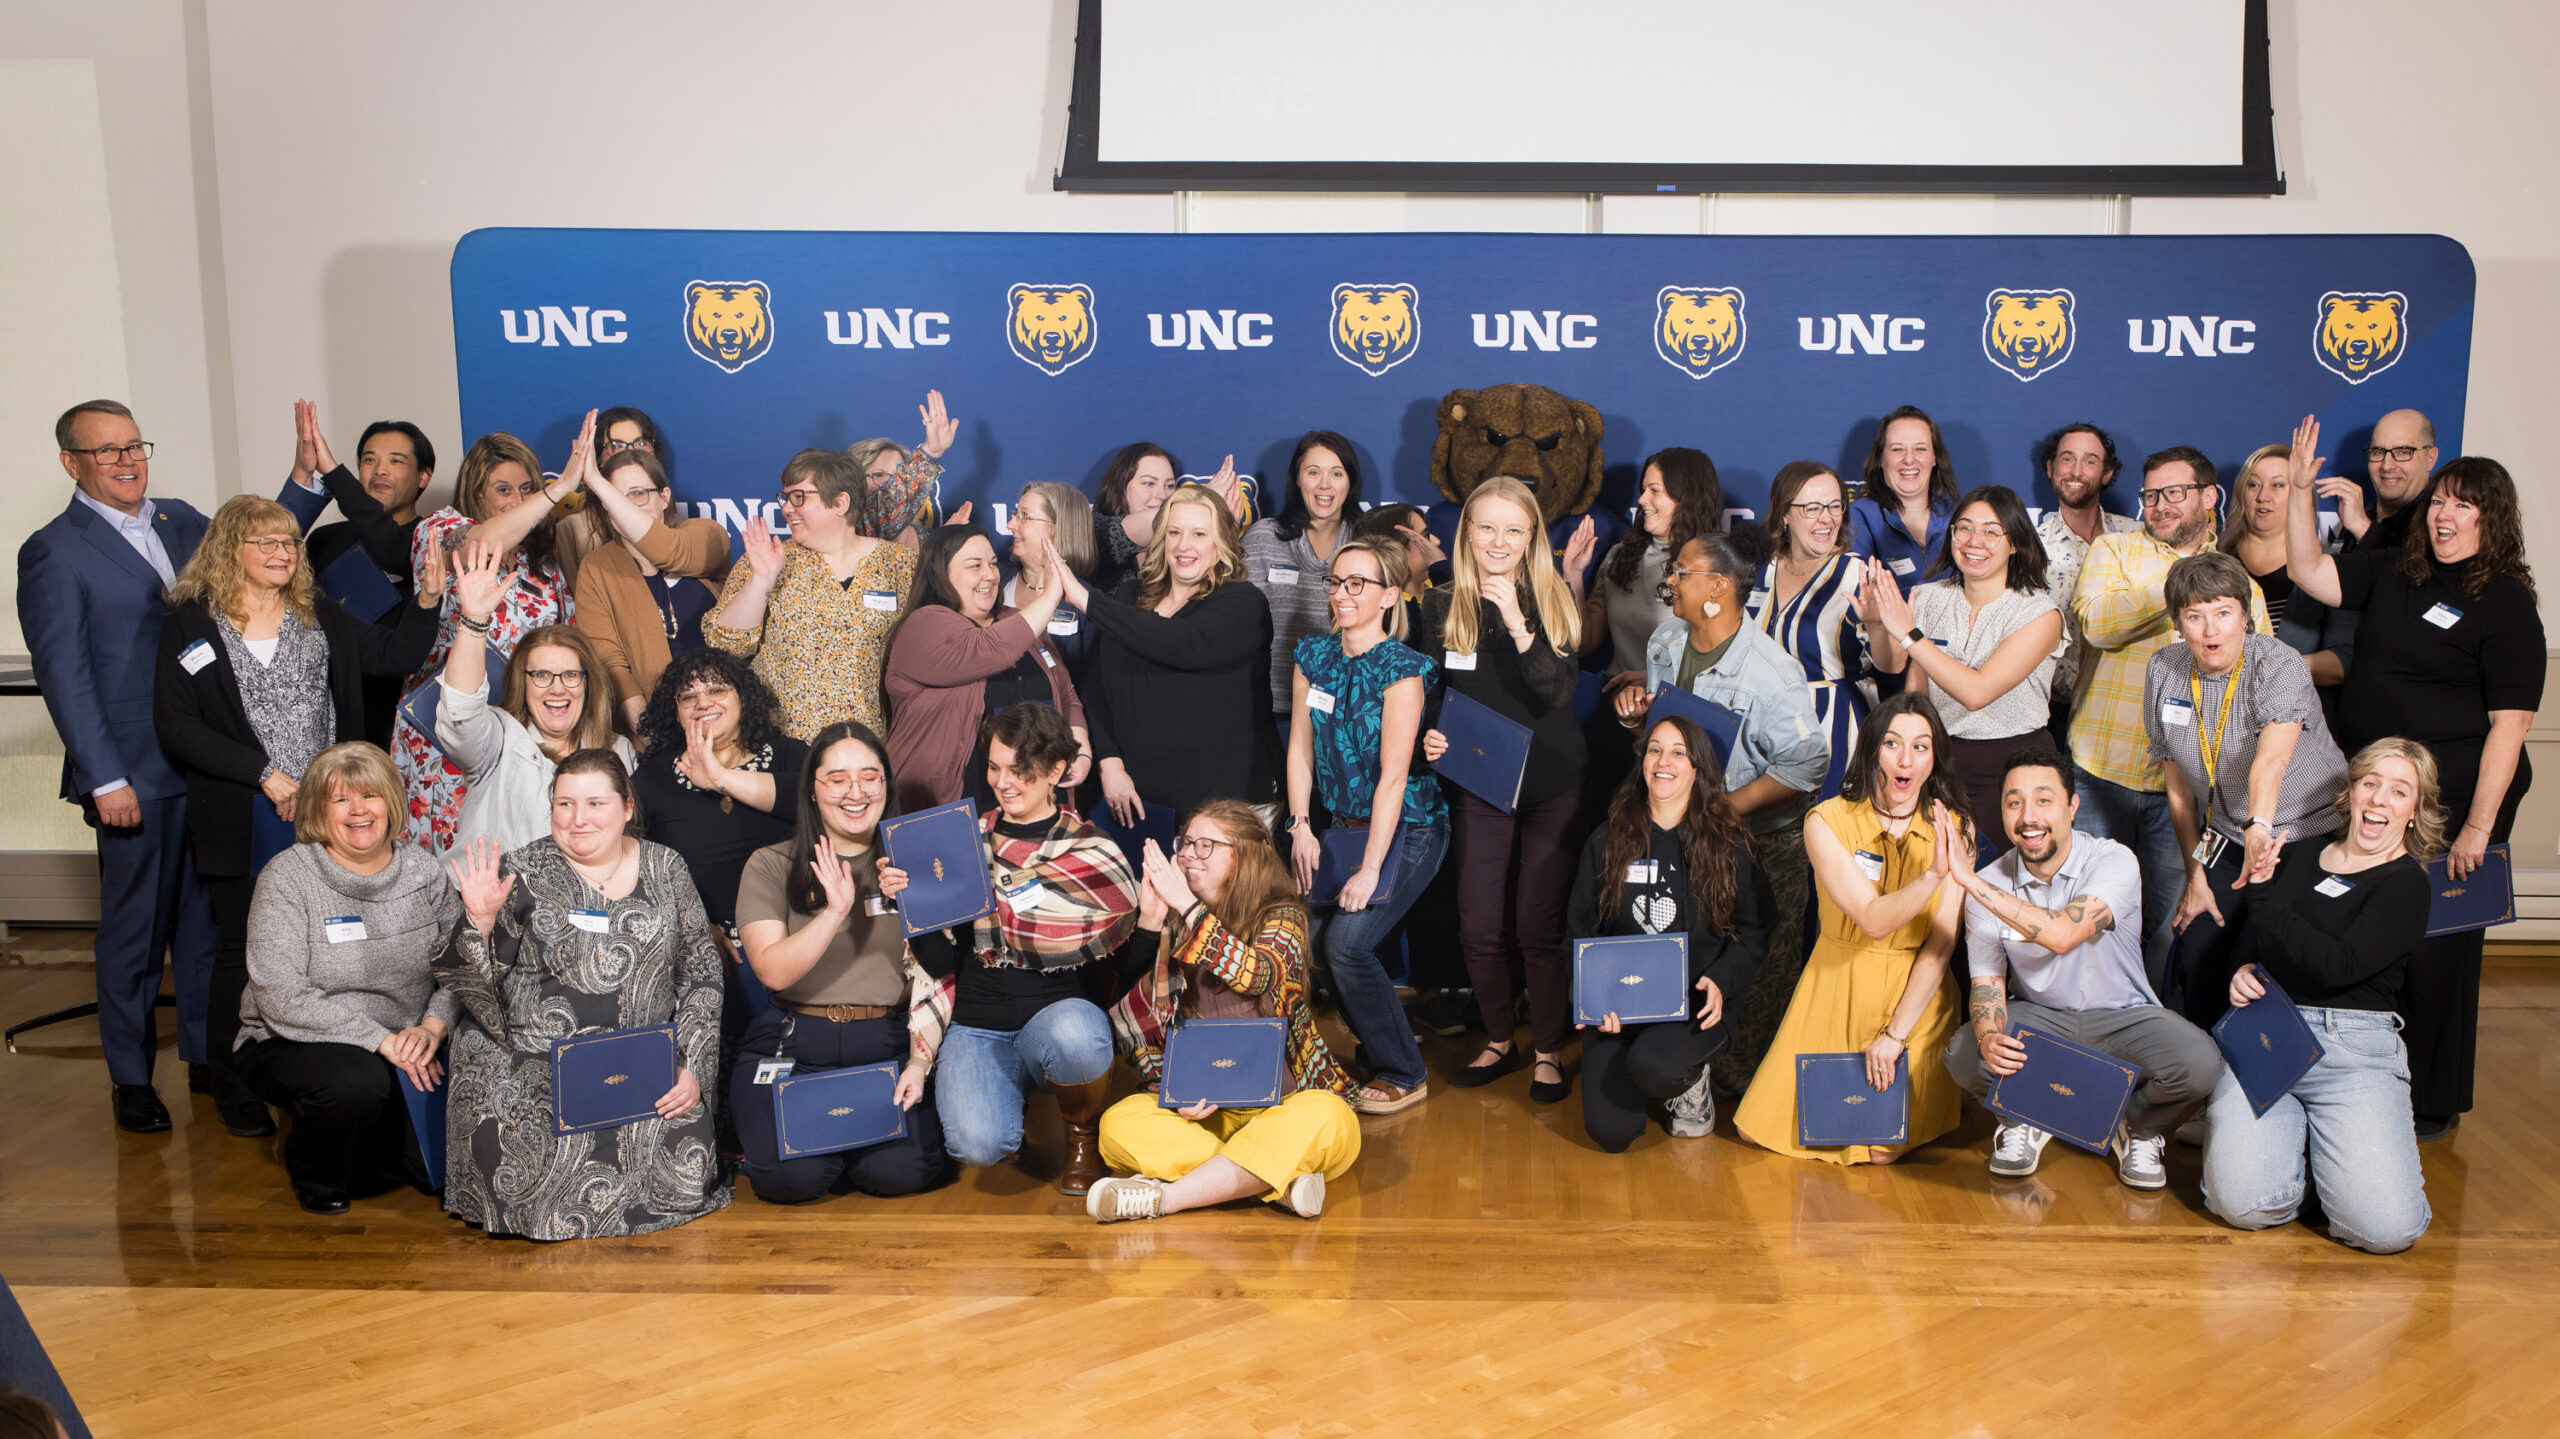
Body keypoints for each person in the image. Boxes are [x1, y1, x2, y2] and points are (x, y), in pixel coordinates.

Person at [153, 495, 448, 1136]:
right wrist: (263, 773)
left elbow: (396, 656)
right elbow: (177, 725)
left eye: (289, 543)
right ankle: (231, 1087)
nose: (283, 554)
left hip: (329, 812)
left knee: (329, 941)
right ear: (232, 549)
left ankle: (331, 1058)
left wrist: (427, 600)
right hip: (244, 808)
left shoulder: (318, 616)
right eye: (267, 544)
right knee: (241, 952)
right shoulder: (192, 624)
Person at [2282, 417, 2542, 1140]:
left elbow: (2510, 728)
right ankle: (2358, 1073)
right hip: (2374, 784)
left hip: (2456, 795)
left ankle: (2430, 1100)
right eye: (2440, 503)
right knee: (2367, 926)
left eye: (2464, 504)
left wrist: (2478, 828)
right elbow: (2313, 574)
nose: (2445, 514)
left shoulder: (2508, 604)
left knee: (2438, 946)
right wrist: (2302, 493)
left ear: (2493, 518)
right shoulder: (2399, 564)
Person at [435, 749, 731, 1239]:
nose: (578, 819)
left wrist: (692, 1067)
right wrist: (479, 922)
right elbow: (467, 984)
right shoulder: (519, 871)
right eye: (565, 804)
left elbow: (700, 974)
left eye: (595, 803)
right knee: (532, 1160)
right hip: (533, 1061)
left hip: (639, 1062)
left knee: (684, 1142)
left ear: (626, 808)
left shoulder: (667, 867)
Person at [21, 400, 217, 1133]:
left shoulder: (179, 519)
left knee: (204, 926)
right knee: (136, 933)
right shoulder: (54, 550)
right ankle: (131, 1078)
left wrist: (303, 482)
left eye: (134, 444)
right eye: (106, 451)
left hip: (202, 762)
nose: (127, 459)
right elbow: (64, 676)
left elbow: (256, 544)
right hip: (131, 775)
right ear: (72, 463)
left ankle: (203, 1057)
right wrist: (105, 778)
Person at [1941, 747, 2225, 1189]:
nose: (2028, 816)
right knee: (1963, 1053)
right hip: (2042, 1018)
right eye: (2014, 802)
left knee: (2200, 1062)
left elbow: (2060, 935)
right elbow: (1987, 983)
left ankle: (2136, 1126)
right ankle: (2023, 1117)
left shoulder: (2113, 861)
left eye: (2043, 800)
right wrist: (1990, 1035)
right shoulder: (1992, 881)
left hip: (2122, 1016)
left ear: (2072, 807)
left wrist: (1969, 881)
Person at [2200, 738, 2440, 1253]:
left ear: (2415, 813)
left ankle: (2331, 1161)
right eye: (2370, 783)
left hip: (2355, 1052)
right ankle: (2317, 1164)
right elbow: (2258, 940)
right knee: (2240, 1205)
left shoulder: (2407, 886)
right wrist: (2243, 969)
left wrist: (2262, 895)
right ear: (2351, 792)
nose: (2379, 800)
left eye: (2399, 792)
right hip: (2271, 1032)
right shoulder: (2302, 854)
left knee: (2384, 1232)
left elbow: (2337, 966)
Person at [887, 703, 1137, 1195]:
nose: (1004, 783)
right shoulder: (960, 842)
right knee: (977, 1146)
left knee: (1077, 1038)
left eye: (1021, 771)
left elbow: (1124, 959)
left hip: (1061, 1018)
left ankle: (1082, 1135)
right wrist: (911, 904)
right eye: (996, 767)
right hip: (978, 1025)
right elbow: (939, 964)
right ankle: (1009, 1110)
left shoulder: (1091, 848)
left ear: (1057, 772)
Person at [1614, 528, 1827, 1100]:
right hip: (1687, 836)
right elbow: (1667, 737)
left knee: (1761, 971)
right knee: (1693, 952)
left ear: (1719, 587)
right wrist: (1639, 720)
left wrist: (1725, 807)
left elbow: (1807, 764)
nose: (1669, 581)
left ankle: (1748, 1090)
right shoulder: (1664, 643)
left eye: (1681, 572)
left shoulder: (1772, 673)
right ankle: (1687, 1068)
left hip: (1762, 841)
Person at [1085, 802, 1362, 1222]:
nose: (1188, 855)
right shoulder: (1169, 922)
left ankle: (1169, 1198)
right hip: (1205, 1117)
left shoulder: (1281, 916)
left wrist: (1190, 908)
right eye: (1186, 843)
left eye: (1205, 845)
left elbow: (1260, 975)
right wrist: (1149, 921)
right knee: (1118, 1126)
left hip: (1284, 1108)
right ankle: (1275, 1183)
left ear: (1244, 856)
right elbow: (1137, 1019)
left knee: (1333, 1119)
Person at [1733, 692, 1968, 1165]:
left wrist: (1896, 1034)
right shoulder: (1826, 821)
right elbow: (1873, 920)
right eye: (1892, 744)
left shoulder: (1955, 828)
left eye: (1921, 747)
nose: (1906, 759)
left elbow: (1940, 950)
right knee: (1754, 1133)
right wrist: (1934, 876)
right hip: (1837, 978)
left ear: (1935, 757)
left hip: (1916, 993)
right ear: (1871, 749)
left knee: (1879, 1149)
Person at [230, 743, 458, 1214]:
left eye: (370, 796)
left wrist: (433, 1028)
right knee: (356, 1086)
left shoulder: (423, 871)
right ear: (318, 809)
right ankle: (315, 1171)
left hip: (410, 1039)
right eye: (340, 800)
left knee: (428, 1177)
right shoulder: (288, 878)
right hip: (298, 1037)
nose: (358, 810)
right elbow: (280, 996)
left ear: (390, 803)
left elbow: (459, 967)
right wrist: (381, 1041)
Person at [2071, 446, 2268, 987]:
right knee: (2083, 923)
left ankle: (2159, 1046)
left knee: (2180, 921)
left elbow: (2260, 681)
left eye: (2173, 493)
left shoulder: (2242, 583)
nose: (2159, 505)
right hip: (2098, 778)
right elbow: (2098, 626)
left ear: (2208, 497)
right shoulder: (2113, 550)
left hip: (2188, 797)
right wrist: (2184, 581)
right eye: (2151, 495)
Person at [1417, 478, 1588, 1103]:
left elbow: (1556, 692)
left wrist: (1517, 620)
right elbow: (1431, 692)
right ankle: (1497, 1035)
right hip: (1482, 778)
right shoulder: (1440, 606)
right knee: (1479, 920)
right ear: (1467, 532)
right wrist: (1430, 736)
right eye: (1486, 527)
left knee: (1534, 923)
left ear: (1531, 538)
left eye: (1513, 530)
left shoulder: (1554, 597)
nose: (1498, 541)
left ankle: (1546, 1048)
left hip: (1551, 780)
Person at [731, 723, 950, 1203]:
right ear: (812, 790)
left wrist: (922, 905)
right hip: (794, 1045)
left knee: (902, 1173)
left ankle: (845, 1149)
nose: (856, 792)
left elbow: (946, 969)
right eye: (837, 779)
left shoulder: (915, 866)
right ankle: (829, 1152)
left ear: (886, 786)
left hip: (887, 1045)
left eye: (870, 776)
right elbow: (771, 971)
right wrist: (834, 911)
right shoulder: (770, 863)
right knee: (792, 1181)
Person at [2147, 552, 2348, 1030]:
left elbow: (2272, 760)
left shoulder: (2277, 663)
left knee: (2260, 960)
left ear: (2245, 615)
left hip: (2302, 833)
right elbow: (2176, 783)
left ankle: (2258, 1081)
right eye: (2195, 616)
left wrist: (2259, 826)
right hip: (2224, 835)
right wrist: (2195, 872)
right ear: (2178, 623)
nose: (2210, 631)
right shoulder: (2164, 669)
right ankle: (2203, 1077)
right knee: (2197, 949)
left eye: (2222, 613)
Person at [1288, 536, 1446, 1116]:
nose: (1343, 594)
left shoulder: (1403, 669)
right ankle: (1380, 1044)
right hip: (1341, 827)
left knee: (1349, 946)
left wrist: (1371, 868)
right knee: (1309, 942)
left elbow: (1394, 780)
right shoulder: (1313, 656)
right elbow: (1300, 751)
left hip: (1409, 827)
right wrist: (1301, 824)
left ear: (1387, 596)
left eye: (1358, 583)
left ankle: (1405, 1071)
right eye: (1336, 581)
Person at [1567, 716, 1771, 1153]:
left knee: (1655, 1066)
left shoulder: (1727, 843)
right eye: (1654, 749)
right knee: (1612, 1134)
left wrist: (1721, 979)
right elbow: (1578, 934)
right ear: (1642, 761)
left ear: (1698, 769)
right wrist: (1593, 999)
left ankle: (1689, 1081)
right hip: (1619, 1010)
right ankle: (1640, 1072)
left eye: (1679, 752)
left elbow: (1753, 935)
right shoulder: (1607, 841)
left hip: (1693, 1007)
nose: (1664, 761)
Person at [1053, 483, 1284, 825]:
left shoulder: (1242, 603)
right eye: (1174, 532)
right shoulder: (1128, 598)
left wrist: (1087, 600)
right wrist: (1111, 763)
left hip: (1230, 810)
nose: (1183, 545)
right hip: (1140, 805)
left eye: (1199, 534)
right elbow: (1096, 688)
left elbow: (1181, 643)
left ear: (1222, 543)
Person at [394, 431, 575, 850]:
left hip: (516, 729)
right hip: (444, 725)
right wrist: (558, 490)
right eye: (504, 490)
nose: (518, 500)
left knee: (511, 852)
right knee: (447, 853)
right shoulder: (440, 529)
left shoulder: (540, 563)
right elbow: (478, 545)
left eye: (527, 488)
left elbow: (568, 637)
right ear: (476, 493)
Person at [1865, 485, 2061, 864]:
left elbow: (1977, 692)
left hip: (2012, 765)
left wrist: (1907, 633)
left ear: (2016, 542)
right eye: (1964, 528)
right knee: (1931, 872)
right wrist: (1877, 624)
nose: (1975, 542)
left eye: (1991, 531)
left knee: (1989, 878)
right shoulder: (1929, 597)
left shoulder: (2039, 614)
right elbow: (1907, 679)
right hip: (1942, 758)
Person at [703, 447, 917, 742]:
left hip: (871, 750)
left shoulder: (900, 563)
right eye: (785, 497)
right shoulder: (768, 559)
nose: (788, 508)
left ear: (840, 502)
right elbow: (725, 649)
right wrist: (761, 580)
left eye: (800, 497)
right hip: (786, 750)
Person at [432, 549, 634, 855]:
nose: (557, 689)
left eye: (570, 675)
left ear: (588, 682)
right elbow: (461, 709)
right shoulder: (497, 738)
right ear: (521, 681)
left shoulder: (619, 750)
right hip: (496, 900)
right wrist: (474, 620)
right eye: (541, 675)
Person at [884, 523, 1087, 812]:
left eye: (992, 563)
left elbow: (1065, 694)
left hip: (1034, 802)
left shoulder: (1017, 621)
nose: (990, 575)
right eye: (974, 565)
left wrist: (1082, 751)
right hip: (950, 806)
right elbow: (989, 649)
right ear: (940, 573)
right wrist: (1051, 595)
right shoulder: (923, 625)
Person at [274, 402, 436, 746]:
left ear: (424, 476)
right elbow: (264, 555)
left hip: (405, 715)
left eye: (396, 460)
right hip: (330, 711)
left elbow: (389, 546)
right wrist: (303, 473)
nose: (380, 470)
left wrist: (331, 469)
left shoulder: (432, 539)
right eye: (368, 459)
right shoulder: (325, 539)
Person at [632, 650, 808, 930]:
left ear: (743, 699)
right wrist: (693, 929)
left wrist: (719, 778)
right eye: (688, 696)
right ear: (676, 713)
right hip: (702, 942)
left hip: (794, 930)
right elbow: (633, 869)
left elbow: (807, 800)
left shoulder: (789, 755)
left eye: (716, 689)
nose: (702, 702)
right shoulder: (653, 777)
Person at [572, 438, 736, 730]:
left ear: (665, 496)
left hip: (729, 721)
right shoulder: (597, 568)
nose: (628, 508)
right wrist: (652, 738)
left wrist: (595, 478)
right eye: (616, 498)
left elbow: (670, 552)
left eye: (638, 494)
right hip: (658, 730)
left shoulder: (706, 535)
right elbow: (611, 665)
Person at [1748, 459, 1876, 799]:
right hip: (1758, 733)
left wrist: (1880, 624)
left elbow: (1891, 665)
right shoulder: (1759, 571)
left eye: (1835, 506)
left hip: (1833, 731)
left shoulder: (1856, 575)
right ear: (1784, 514)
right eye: (1812, 508)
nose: (1827, 518)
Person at [2033, 423, 2143, 749]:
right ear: (2051, 468)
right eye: (2067, 459)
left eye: (2090, 461)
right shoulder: (2029, 547)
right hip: (2049, 711)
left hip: (2121, 709)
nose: (2076, 471)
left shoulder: (2137, 539)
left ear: (2107, 473)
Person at [1245, 431, 1362, 726]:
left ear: (1350, 481)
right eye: (1313, 472)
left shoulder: (1368, 544)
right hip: (1269, 710)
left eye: (1337, 473)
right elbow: (1236, 625)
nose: (1325, 484)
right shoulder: (1263, 538)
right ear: (1297, 479)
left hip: (1348, 712)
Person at [2220, 443, 2354, 686]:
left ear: (2300, 494)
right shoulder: (2213, 561)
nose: (2263, 496)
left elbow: (2342, 660)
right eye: (2253, 484)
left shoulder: (2330, 568)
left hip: (2296, 714)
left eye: (2278, 485)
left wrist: (2275, 672)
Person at [1584, 448, 1719, 676]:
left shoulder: (1714, 566)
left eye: (1654, 490)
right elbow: (1584, 644)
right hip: (1615, 700)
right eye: (1643, 490)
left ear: (1687, 498)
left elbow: (1717, 662)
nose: (1642, 499)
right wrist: (1574, 574)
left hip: (1674, 705)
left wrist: (1649, 682)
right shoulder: (1618, 556)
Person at [1846, 405, 1955, 597]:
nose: (1909, 459)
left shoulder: (1960, 517)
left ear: (1935, 457)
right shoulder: (1859, 517)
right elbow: (1858, 594)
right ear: (1880, 458)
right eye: (1897, 449)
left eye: (1920, 448)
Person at [1003, 480, 1101, 676]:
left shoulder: (1088, 602)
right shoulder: (993, 581)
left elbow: (1094, 685)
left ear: (1058, 527)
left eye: (1024, 516)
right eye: (1015, 514)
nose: (1010, 524)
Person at [849, 389, 961, 545]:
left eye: (899, 474)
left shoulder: (927, 541)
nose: (892, 483)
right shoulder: (854, 532)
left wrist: (944, 548)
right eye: (879, 475)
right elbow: (883, 512)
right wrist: (930, 453)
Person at [2327, 408, 2438, 556]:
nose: (2387, 466)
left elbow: (2413, 573)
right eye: (2378, 452)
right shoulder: (2363, 514)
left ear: (2430, 458)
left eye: (2403, 452)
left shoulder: (2440, 521)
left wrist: (2362, 528)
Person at [1089, 441, 1180, 596]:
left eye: (1170, 486)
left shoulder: (1180, 546)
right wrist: (1201, 506)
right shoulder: (1095, 530)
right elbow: (1126, 533)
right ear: (1121, 486)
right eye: (1149, 483)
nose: (1163, 495)